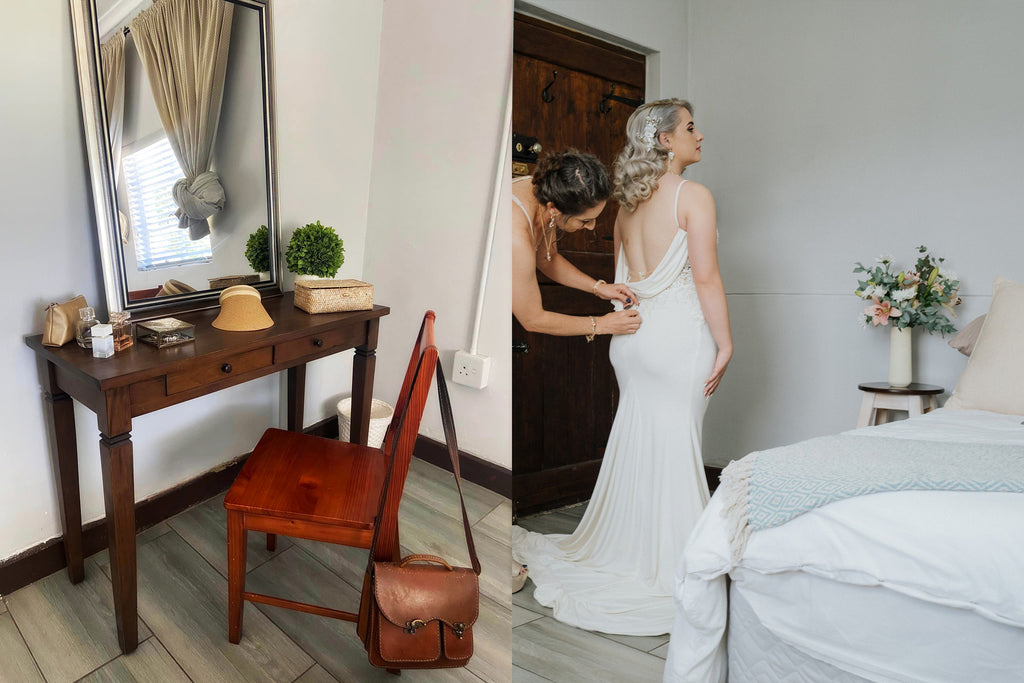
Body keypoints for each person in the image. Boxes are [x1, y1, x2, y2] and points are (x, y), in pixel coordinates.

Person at [512, 99, 732, 636]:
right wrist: (726, 343)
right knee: (676, 446)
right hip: (677, 341)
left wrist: (602, 300)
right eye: (691, 127)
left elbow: (617, 278)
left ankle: (632, 549)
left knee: (640, 444)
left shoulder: (627, 206)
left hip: (630, 339)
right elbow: (705, 278)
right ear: (665, 140)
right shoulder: (693, 196)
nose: (700, 135)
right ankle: (673, 561)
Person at [511, 150, 641, 338]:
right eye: (585, 221)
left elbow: (548, 259)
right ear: (554, 208)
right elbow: (532, 319)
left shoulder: (549, 192)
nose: (591, 227)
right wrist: (602, 324)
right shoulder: (515, 236)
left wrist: (598, 288)